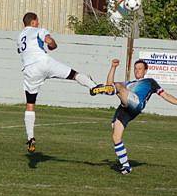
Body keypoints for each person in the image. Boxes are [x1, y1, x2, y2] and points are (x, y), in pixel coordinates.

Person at [18, 12, 110, 153]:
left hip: (30, 70)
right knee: (74, 75)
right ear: (33, 22)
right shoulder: (39, 30)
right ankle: (93, 86)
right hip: (44, 62)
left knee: (30, 104)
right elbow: (49, 42)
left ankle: (30, 137)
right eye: (37, 21)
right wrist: (52, 44)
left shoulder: (19, 37)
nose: (38, 23)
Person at [99, 58, 177, 175]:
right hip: (125, 109)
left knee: (117, 86)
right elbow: (110, 85)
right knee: (116, 137)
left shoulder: (150, 82)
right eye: (135, 69)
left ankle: (100, 89)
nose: (137, 71)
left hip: (136, 103)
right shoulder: (129, 83)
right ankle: (126, 167)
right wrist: (113, 67)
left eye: (140, 69)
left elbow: (166, 95)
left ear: (145, 70)